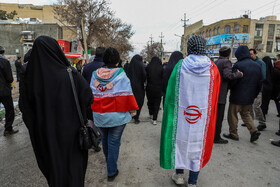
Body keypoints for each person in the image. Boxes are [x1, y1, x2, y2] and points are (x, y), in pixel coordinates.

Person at [20, 36, 93, 187]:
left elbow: (25, 109)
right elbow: (88, 98)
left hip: (46, 137)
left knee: (55, 172)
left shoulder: (29, 79)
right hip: (72, 135)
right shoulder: (70, 74)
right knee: (74, 171)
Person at [160, 35, 221, 187]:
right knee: (197, 146)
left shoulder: (180, 66)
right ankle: (193, 182)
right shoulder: (213, 69)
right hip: (202, 119)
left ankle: (179, 175)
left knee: (179, 142)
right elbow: (215, 96)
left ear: (189, 48)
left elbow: (171, 93)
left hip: (182, 116)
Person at [90, 47, 138, 182]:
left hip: (100, 115)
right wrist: (132, 110)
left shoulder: (95, 75)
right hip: (117, 116)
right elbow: (127, 94)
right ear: (117, 60)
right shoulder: (121, 74)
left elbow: (91, 95)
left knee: (105, 139)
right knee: (114, 142)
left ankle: (109, 163)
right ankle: (111, 171)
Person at [224, 46, 262, 143]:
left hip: (237, 96)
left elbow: (233, 81)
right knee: (246, 114)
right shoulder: (257, 66)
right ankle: (254, 130)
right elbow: (259, 83)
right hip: (249, 97)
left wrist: (230, 88)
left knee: (232, 115)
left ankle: (234, 134)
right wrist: (255, 95)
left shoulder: (238, 65)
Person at [213, 47, 243, 144]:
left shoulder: (216, 61)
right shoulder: (226, 62)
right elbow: (228, 75)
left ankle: (213, 135)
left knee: (214, 116)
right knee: (219, 117)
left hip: (214, 92)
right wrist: (239, 74)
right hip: (221, 94)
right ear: (228, 54)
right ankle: (216, 137)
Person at [0, 46, 18, 136]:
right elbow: (10, 78)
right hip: (4, 91)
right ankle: (8, 129)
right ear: (2, 52)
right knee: (9, 110)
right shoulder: (4, 62)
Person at [249, 49, 267, 131]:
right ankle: (250, 122)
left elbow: (263, 77)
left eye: (252, 54)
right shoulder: (250, 62)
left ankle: (262, 123)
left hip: (258, 88)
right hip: (250, 87)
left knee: (256, 106)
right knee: (249, 106)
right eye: (249, 54)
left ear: (255, 54)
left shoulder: (261, 63)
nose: (250, 55)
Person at [127, 55, 146, 124]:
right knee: (139, 102)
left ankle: (131, 114)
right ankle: (136, 117)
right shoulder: (141, 65)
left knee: (131, 101)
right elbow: (144, 75)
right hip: (139, 87)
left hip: (130, 86)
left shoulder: (130, 66)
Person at [146, 56, 163, 125]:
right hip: (158, 88)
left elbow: (146, 77)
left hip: (149, 88)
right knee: (157, 103)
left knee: (150, 101)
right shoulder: (161, 68)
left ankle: (151, 113)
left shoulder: (148, 67)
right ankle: (154, 119)